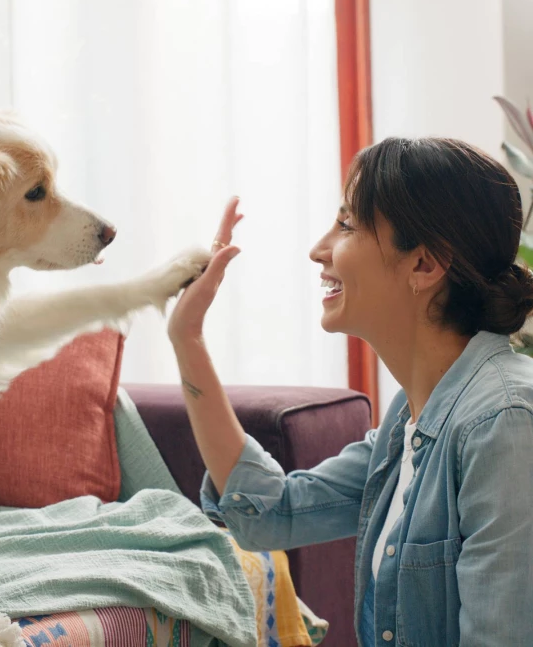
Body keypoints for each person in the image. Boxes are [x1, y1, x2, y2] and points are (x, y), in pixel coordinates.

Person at [167, 137, 533, 646]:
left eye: (345, 225)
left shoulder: (505, 423)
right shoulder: (412, 418)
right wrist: (187, 337)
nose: (318, 250)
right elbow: (272, 513)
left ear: (424, 265)